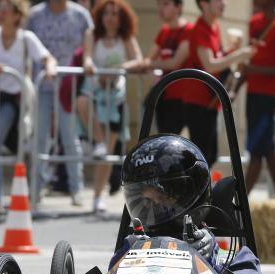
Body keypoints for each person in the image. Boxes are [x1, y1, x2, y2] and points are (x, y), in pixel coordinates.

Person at [114, 134, 262, 274]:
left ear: (187, 195)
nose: (155, 209)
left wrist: (209, 260)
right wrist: (130, 255)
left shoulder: (234, 259)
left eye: (163, 199)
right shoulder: (131, 248)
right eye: (147, 201)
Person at [0, 0, 56, 216]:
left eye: (6, 10)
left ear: (16, 15)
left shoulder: (26, 38)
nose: (0, 13)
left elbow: (46, 56)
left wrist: (49, 68)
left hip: (9, 100)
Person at [77, 0, 142, 213]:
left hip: (115, 98)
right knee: (82, 103)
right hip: (94, 92)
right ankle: (96, 141)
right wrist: (90, 66)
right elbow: (87, 57)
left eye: (115, 14)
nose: (110, 18)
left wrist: (117, 69)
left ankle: (98, 196)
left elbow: (138, 60)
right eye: (106, 13)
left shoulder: (126, 38)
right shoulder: (92, 34)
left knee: (109, 149)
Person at [27, 0, 92, 208]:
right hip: (41, 85)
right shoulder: (34, 15)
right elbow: (26, 50)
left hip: (68, 88)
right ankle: (36, 189)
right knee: (40, 138)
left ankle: (76, 189)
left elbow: (90, 41)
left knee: (69, 137)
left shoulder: (80, 15)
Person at [181, 0, 254, 169]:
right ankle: (192, 192)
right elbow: (210, 65)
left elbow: (217, 61)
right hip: (197, 100)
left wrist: (233, 51)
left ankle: (197, 192)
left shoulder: (214, 26)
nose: (224, 3)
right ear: (204, 4)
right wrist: (239, 54)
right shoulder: (200, 29)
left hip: (209, 100)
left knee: (209, 154)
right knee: (201, 155)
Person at [241, 0, 275, 197]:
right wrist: (236, 87)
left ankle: (240, 201)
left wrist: (254, 71)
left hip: (269, 95)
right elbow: (250, 60)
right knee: (267, 148)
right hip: (253, 93)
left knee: (257, 150)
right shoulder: (254, 22)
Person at [144, 0, 192, 135]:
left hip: (183, 97)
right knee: (163, 140)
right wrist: (148, 65)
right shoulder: (164, 31)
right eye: (159, 4)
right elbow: (149, 58)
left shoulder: (189, 30)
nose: (160, 8)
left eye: (165, 4)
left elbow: (175, 63)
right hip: (164, 95)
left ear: (179, 7)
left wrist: (150, 64)